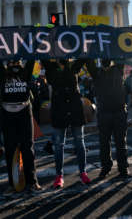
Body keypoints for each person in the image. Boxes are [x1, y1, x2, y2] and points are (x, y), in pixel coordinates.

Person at [41, 59, 91, 188]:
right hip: (59, 110)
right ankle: (59, 175)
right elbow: (42, 55)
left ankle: (83, 172)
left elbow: (83, 55)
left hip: (74, 110)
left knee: (80, 142)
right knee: (58, 145)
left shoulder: (73, 66)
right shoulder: (50, 67)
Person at [0, 59, 41, 195]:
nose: (15, 64)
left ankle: (32, 182)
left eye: (17, 62)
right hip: (8, 115)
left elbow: (30, 57)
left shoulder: (25, 73)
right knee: (10, 151)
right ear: (7, 64)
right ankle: (12, 184)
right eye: (12, 62)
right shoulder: (3, 75)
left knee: (28, 148)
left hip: (24, 113)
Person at [86, 59, 129, 178]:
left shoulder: (118, 69)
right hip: (104, 113)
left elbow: (120, 52)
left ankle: (123, 167)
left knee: (120, 142)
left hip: (119, 111)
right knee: (104, 143)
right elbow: (88, 61)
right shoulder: (96, 73)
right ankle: (106, 167)